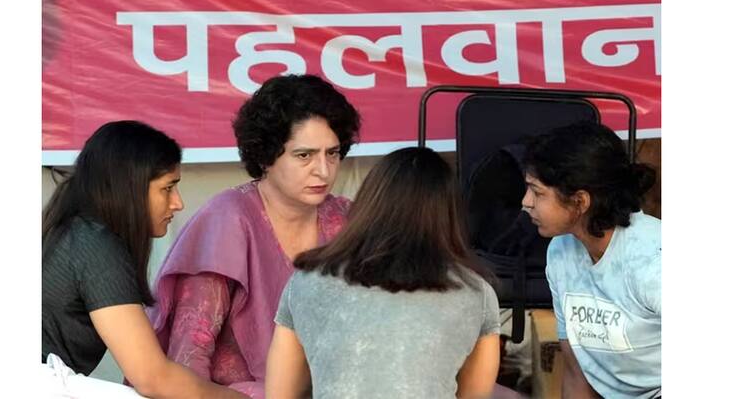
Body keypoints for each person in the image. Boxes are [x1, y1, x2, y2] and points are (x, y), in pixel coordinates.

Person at [147, 74, 361, 398]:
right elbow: (189, 353)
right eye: (304, 155)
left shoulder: (348, 219)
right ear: (265, 156)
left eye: (332, 153)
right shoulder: (228, 219)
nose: (323, 170)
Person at [266, 147, 502, 399]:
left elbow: (280, 394)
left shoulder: (305, 282)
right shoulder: (476, 293)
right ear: (450, 215)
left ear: (368, 203)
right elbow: (475, 394)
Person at [42, 120, 243, 399]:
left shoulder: (72, 230)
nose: (178, 203)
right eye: (167, 187)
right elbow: (152, 378)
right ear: (130, 187)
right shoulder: (96, 244)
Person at [521, 122, 660, 399]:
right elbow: (576, 373)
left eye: (537, 192)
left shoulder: (652, 260)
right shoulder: (560, 252)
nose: (526, 202)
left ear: (580, 202)